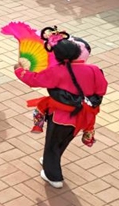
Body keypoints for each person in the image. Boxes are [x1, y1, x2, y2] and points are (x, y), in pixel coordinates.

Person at [14, 38, 107, 188]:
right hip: (82, 117)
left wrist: (19, 70)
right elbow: (101, 89)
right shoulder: (94, 69)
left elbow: (34, 80)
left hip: (61, 116)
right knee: (63, 141)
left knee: (52, 143)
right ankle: (51, 160)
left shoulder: (58, 70)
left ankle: (54, 176)